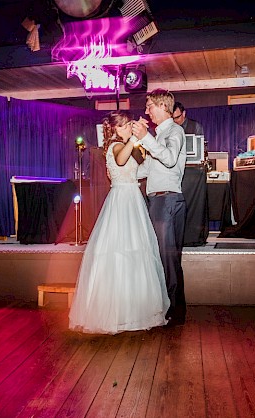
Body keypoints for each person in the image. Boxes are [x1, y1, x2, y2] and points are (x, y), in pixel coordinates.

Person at [68, 110, 169, 334]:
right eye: (124, 126)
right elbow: (122, 160)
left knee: (137, 250)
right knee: (120, 250)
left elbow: (136, 171)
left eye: (128, 125)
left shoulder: (128, 146)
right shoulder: (115, 146)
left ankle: (134, 311)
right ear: (114, 129)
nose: (128, 129)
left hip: (133, 197)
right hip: (122, 200)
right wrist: (134, 139)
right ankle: (115, 313)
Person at [133, 89, 188, 326]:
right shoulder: (157, 136)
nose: (146, 112)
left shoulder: (175, 131)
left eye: (150, 107)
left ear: (163, 106)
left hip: (167, 201)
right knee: (162, 257)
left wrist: (145, 138)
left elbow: (169, 158)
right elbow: (146, 169)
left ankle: (175, 312)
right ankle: (169, 307)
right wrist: (124, 174)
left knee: (168, 258)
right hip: (158, 201)